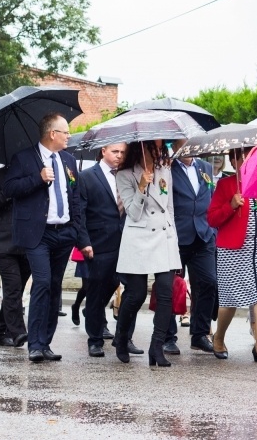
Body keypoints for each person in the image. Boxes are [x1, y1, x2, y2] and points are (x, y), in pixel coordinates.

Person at [4, 112, 81, 363]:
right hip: (39, 234)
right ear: (52, 134)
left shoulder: (69, 160)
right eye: (65, 131)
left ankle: (45, 342)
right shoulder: (24, 158)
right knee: (43, 283)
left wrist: (77, 232)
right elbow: (9, 189)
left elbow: (76, 197)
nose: (69, 136)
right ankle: (34, 344)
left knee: (55, 288)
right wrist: (37, 178)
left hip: (64, 233)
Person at [113, 140, 180, 366]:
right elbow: (131, 213)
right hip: (138, 239)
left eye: (160, 149)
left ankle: (156, 347)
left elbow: (169, 206)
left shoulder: (165, 170)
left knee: (165, 293)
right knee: (136, 295)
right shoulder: (124, 175)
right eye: (155, 148)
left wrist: (174, 239)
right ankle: (121, 338)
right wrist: (141, 186)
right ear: (142, 147)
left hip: (164, 236)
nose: (158, 153)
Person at [207, 148, 257, 362]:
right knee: (230, 299)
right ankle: (219, 337)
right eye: (243, 158)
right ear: (233, 161)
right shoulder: (226, 185)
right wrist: (230, 205)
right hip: (233, 250)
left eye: (252, 157)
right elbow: (212, 219)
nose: (248, 161)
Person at [77, 142, 136, 358]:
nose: (119, 156)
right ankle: (95, 339)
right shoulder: (86, 177)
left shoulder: (128, 175)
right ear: (103, 151)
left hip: (127, 242)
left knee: (132, 290)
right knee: (96, 291)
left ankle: (124, 337)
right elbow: (79, 212)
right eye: (115, 152)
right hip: (99, 243)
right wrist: (83, 241)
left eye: (122, 152)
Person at [167, 139, 217, 355]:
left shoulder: (205, 167)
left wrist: (212, 230)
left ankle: (199, 334)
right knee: (170, 288)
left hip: (203, 236)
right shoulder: (166, 167)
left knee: (208, 282)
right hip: (176, 237)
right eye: (183, 144)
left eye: (192, 144)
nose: (188, 148)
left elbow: (210, 198)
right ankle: (167, 336)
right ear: (175, 146)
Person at [0, 165, 30, 348]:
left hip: (26, 241)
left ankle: (1, 328)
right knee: (13, 286)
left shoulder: (29, 174)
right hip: (3, 243)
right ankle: (18, 331)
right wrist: (8, 192)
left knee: (16, 290)